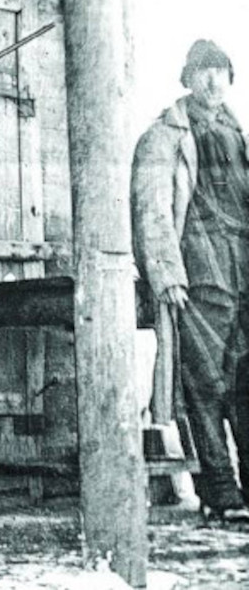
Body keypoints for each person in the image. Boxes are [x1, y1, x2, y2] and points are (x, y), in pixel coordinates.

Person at [131, 38, 249, 523]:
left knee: (244, 384)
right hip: (199, 278)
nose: (213, 80)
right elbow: (151, 209)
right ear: (188, 78)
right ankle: (220, 491)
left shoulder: (238, 134)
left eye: (220, 71)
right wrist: (165, 273)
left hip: (242, 273)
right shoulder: (165, 135)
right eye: (203, 71)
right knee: (206, 387)